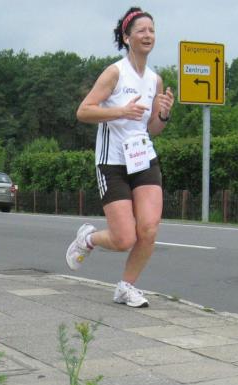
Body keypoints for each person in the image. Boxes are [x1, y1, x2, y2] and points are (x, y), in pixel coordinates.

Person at [65, 6, 174, 308]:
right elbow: (84, 111)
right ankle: (88, 239)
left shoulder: (155, 80)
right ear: (127, 38)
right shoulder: (115, 72)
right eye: (141, 30)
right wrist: (121, 111)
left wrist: (164, 115)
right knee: (124, 238)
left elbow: (153, 129)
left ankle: (126, 287)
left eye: (152, 30)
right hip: (112, 162)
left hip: (143, 158)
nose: (148, 35)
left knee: (148, 229)